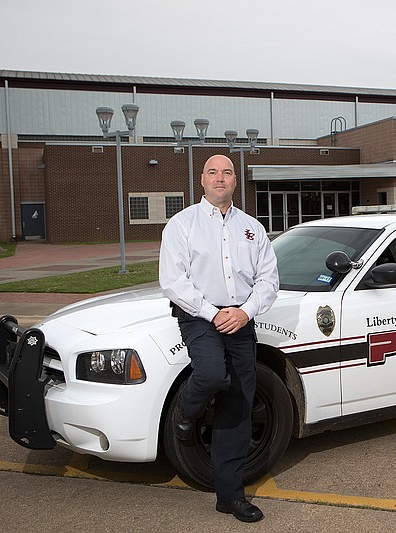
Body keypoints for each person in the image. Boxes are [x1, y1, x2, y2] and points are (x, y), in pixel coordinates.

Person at [159, 154, 279, 523]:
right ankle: (186, 411)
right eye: (213, 172)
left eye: (227, 172)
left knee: (238, 406)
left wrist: (244, 312)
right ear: (202, 180)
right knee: (211, 374)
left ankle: (230, 496)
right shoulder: (181, 225)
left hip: (241, 319)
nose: (220, 178)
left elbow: (268, 280)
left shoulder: (252, 228)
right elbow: (174, 282)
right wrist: (214, 314)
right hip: (199, 316)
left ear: (235, 182)